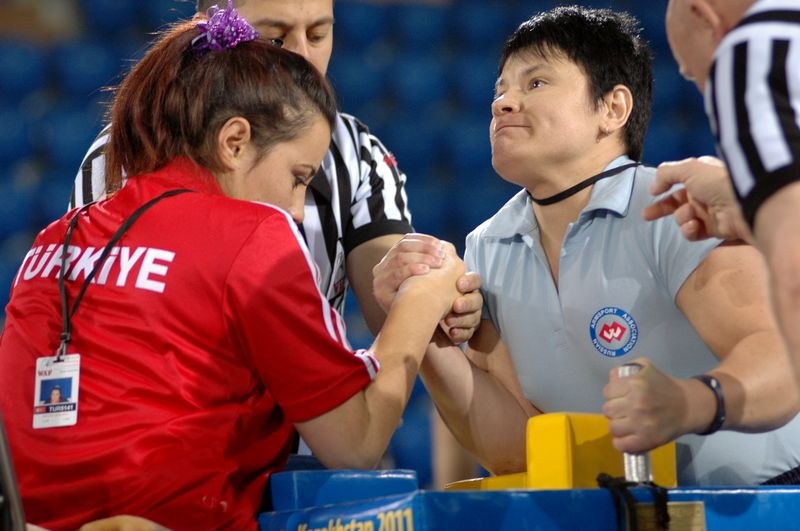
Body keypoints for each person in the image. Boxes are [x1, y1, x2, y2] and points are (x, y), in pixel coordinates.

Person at [1, 6, 465, 530]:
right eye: (297, 177)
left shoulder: (52, 239)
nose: (296, 209)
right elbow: (355, 443)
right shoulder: (254, 237)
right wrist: (423, 298)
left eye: (320, 32)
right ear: (235, 141)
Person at [374, 6, 800, 486]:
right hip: (617, 510)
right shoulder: (487, 246)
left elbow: (784, 360)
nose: (503, 103)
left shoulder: (677, 206)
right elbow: (518, 450)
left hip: (769, 499)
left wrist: (689, 403)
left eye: (535, 83)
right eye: (500, 89)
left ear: (612, 109)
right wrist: (429, 331)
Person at [72, 0, 482, 345]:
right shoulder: (124, 152)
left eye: (319, 34)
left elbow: (386, 288)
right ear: (211, 34)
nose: (302, 56)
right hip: (168, 430)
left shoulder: (358, 155)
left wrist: (423, 287)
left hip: (307, 432)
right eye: (275, 38)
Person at [643, 0, 800, 384]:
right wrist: (751, 211)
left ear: (703, 16)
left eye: (692, 71)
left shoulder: (753, 50)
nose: (702, 88)